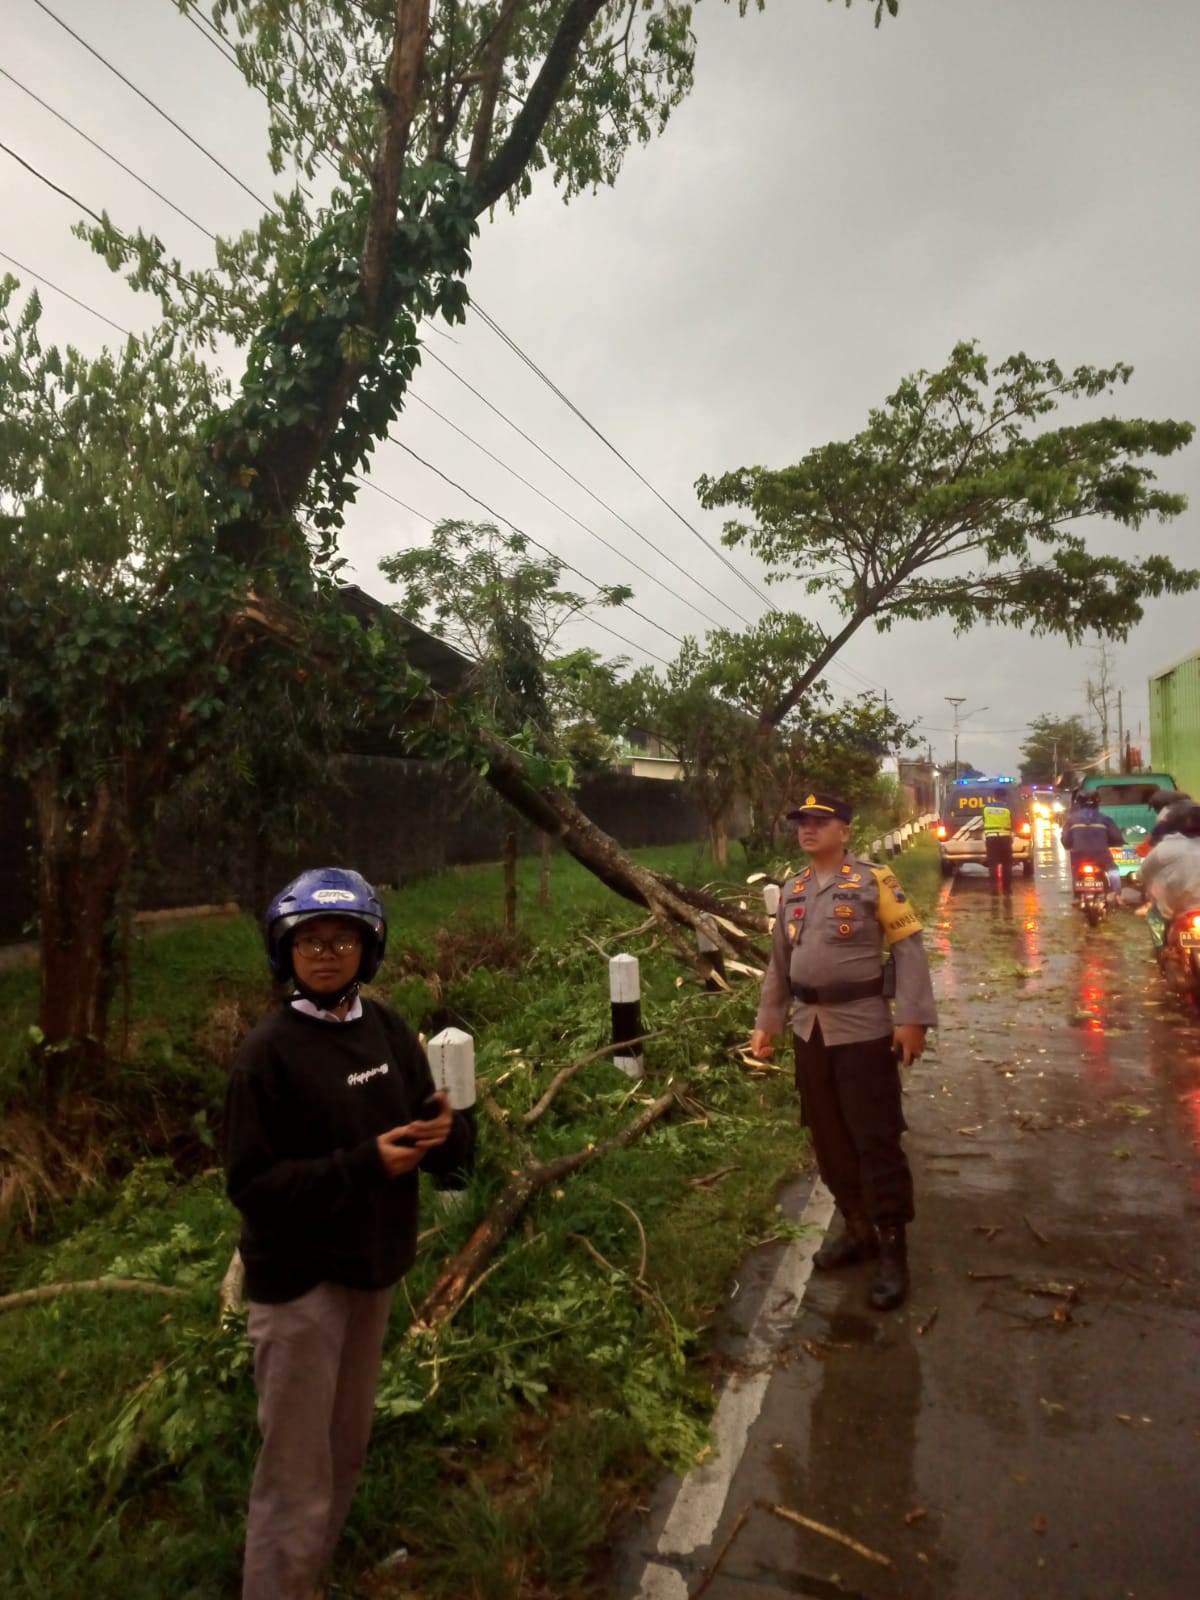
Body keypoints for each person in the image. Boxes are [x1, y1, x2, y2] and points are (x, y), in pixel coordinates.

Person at [223, 867, 474, 1600]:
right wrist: (362, 1167)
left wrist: (448, 1135)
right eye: (309, 940)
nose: (326, 952)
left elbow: (437, 1122)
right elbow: (252, 1187)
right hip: (301, 1286)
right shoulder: (264, 1057)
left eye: (343, 939)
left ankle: (311, 1578)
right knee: (294, 1475)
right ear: (285, 952)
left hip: (372, 1272)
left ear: (369, 949)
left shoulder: (387, 1027)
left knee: (344, 1449)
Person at [749, 793, 938, 1311]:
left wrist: (913, 1019)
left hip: (863, 1029)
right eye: (802, 823)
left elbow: (908, 950)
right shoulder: (794, 889)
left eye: (819, 822)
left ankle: (894, 1249)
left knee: (875, 1137)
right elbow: (778, 966)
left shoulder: (875, 880)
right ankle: (859, 1230)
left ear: (844, 831)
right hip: (810, 1031)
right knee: (828, 1136)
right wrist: (768, 1023)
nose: (807, 830)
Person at [1060, 791, 1124, 897]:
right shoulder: (1105, 819)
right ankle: (1117, 896)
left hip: (1078, 854)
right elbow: (1116, 837)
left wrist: (1068, 845)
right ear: (1097, 802)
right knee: (1113, 871)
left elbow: (1066, 839)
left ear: (1079, 803)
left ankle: (1076, 896)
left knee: (1075, 871)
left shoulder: (1071, 820)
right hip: (1101, 854)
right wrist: (1118, 842)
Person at [981, 795, 1014, 893]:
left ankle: (994, 889)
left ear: (994, 797)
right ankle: (1007, 889)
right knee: (1007, 864)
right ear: (1005, 798)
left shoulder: (986, 808)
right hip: (1005, 837)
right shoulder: (1008, 808)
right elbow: (1012, 821)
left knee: (993, 864)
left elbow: (984, 820)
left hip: (991, 838)